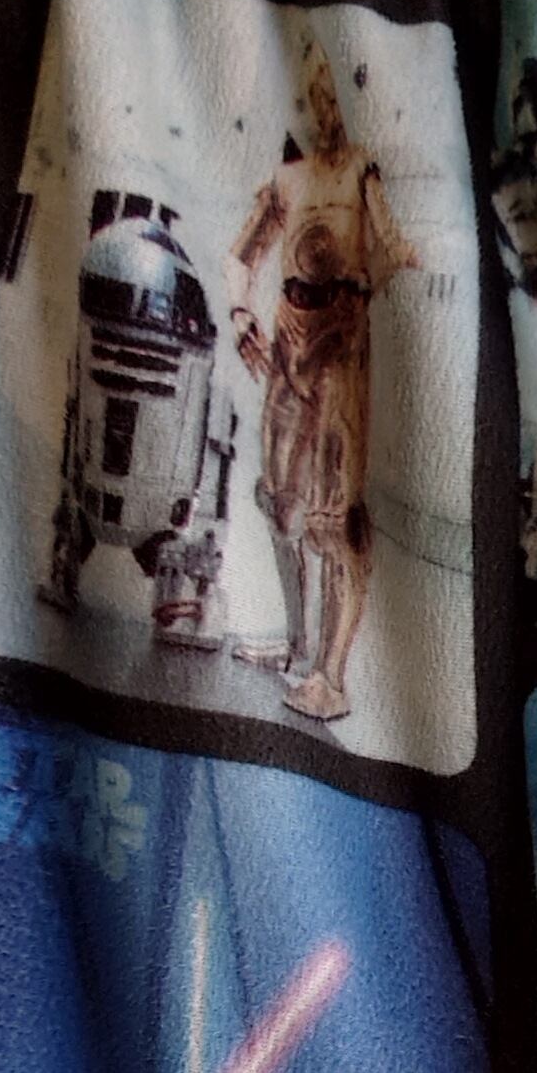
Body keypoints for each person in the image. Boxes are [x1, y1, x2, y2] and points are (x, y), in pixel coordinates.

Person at [227, 37, 417, 722]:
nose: (318, 111)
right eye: (307, 101)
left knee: (334, 516)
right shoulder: (288, 179)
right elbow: (242, 253)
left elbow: (395, 245)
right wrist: (241, 315)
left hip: (341, 346)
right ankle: (295, 640)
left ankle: (330, 677)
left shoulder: (361, 167)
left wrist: (361, 295)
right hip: (287, 341)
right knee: (279, 498)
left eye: (325, 96)